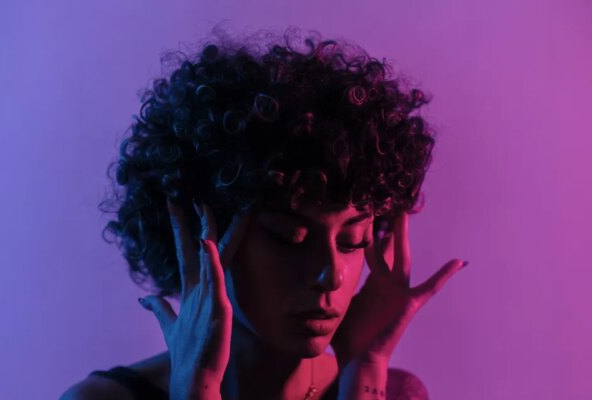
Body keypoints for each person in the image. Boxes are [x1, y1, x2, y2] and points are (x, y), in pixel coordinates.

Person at [60, 25, 466, 400]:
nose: (332, 276)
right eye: (290, 239)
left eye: (351, 241)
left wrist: (365, 367)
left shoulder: (389, 392)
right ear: (206, 238)